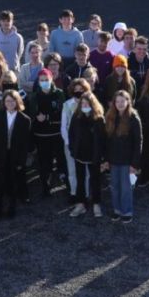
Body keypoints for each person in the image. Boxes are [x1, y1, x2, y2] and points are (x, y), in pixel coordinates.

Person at [101, 90, 142, 223]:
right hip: (113, 159)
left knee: (125, 188)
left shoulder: (133, 118)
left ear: (128, 102)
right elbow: (106, 141)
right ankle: (117, 210)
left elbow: (138, 142)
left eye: (122, 101)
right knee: (115, 186)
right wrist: (106, 159)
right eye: (117, 101)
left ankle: (127, 211)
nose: (119, 104)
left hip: (127, 161)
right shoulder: (110, 117)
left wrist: (134, 164)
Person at [0, 90, 31, 219]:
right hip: (1, 155)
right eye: (7, 101)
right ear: (4, 103)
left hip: (15, 156)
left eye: (13, 101)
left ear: (18, 102)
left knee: (14, 182)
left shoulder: (25, 120)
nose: (10, 103)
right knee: (0, 183)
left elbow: (25, 143)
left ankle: (12, 208)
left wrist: (21, 161)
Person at [28, 69, 66, 197]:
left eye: (46, 80)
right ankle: (45, 184)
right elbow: (32, 114)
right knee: (44, 160)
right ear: (38, 82)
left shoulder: (59, 94)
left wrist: (48, 117)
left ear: (51, 80)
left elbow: (61, 112)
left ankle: (65, 181)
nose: (44, 82)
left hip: (56, 133)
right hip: (40, 134)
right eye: (42, 80)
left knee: (61, 158)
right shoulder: (34, 96)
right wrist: (37, 115)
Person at [68, 92, 106, 218]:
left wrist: (102, 156)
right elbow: (71, 133)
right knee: (80, 179)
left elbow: (103, 139)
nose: (85, 106)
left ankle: (96, 203)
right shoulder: (76, 116)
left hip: (94, 155)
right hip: (79, 154)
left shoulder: (99, 119)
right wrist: (73, 149)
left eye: (88, 104)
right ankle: (81, 204)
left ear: (93, 105)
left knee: (95, 180)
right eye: (83, 103)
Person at [61, 78, 92, 207]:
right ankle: (74, 193)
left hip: (86, 144)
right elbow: (63, 126)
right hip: (71, 143)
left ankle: (85, 193)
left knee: (86, 171)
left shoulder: (91, 105)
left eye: (81, 90)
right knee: (72, 170)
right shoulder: (67, 104)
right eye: (76, 90)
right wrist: (68, 142)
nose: (78, 92)